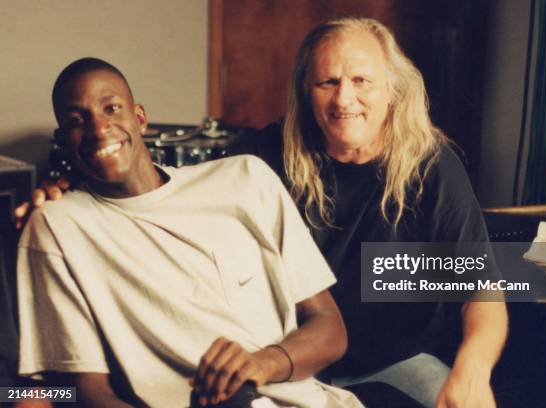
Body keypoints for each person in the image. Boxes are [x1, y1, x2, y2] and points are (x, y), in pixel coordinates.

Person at [16, 18, 508, 408]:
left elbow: (482, 288)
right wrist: (70, 182)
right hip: (292, 362)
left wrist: (472, 368)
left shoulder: (430, 166)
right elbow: (170, 186)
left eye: (362, 81)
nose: (344, 98)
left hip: (392, 360)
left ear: (392, 90)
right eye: (328, 82)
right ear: (305, 92)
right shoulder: (264, 158)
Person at [16, 58, 366, 408]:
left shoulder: (246, 178)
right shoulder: (58, 226)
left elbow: (331, 331)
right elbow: (86, 391)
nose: (99, 128)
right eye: (78, 120)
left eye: (111, 108)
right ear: (63, 140)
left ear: (139, 118)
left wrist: (260, 364)